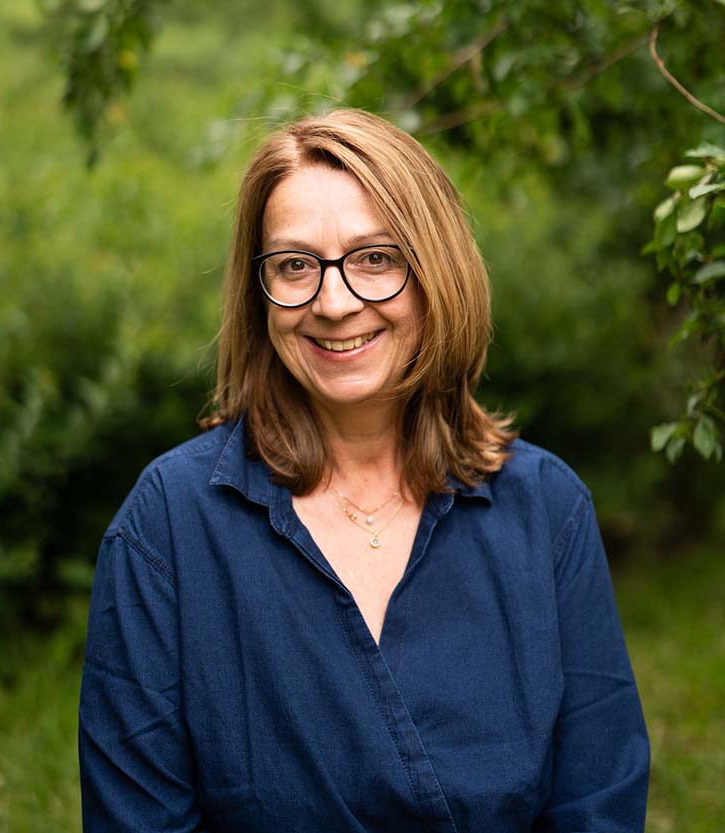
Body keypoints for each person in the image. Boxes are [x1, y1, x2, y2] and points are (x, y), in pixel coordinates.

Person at [78, 108, 650, 832]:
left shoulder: (547, 509)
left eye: (375, 258)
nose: (334, 302)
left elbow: (598, 804)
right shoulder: (168, 524)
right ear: (259, 293)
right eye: (294, 265)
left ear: (436, 271)